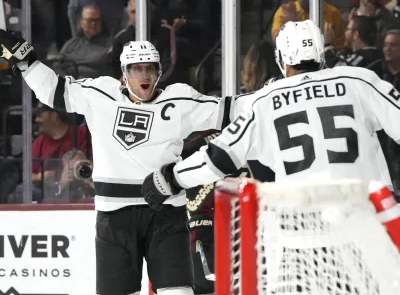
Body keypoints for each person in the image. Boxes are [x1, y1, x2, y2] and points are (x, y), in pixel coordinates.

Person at [0, 29, 235, 295]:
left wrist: (270, 98)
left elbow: (230, 110)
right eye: (137, 69)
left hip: (166, 214)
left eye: (149, 69)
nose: (144, 75)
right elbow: (52, 90)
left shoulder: (179, 100)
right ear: (124, 72)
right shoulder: (100, 94)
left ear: (159, 72)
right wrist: (27, 63)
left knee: (178, 293)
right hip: (114, 218)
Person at [142, 20, 400, 213]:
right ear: (321, 52)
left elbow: (217, 157)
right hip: (369, 217)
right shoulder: (359, 80)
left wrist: (171, 178)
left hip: (305, 224)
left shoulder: (265, 100)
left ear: (281, 59)